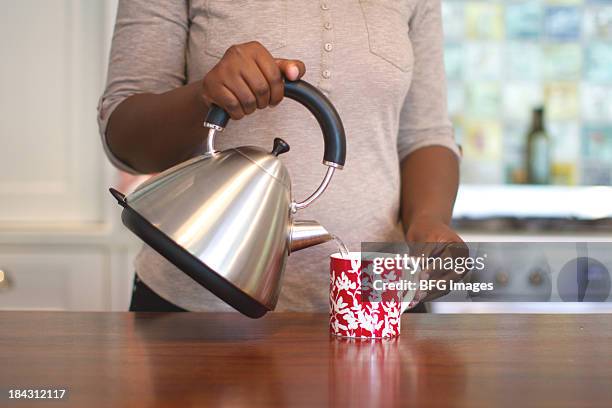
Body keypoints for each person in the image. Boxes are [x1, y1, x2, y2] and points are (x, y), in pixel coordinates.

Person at [98, 0, 463, 312]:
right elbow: (123, 138)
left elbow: (425, 134)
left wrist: (428, 221)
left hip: (377, 303)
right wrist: (204, 97)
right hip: (197, 307)